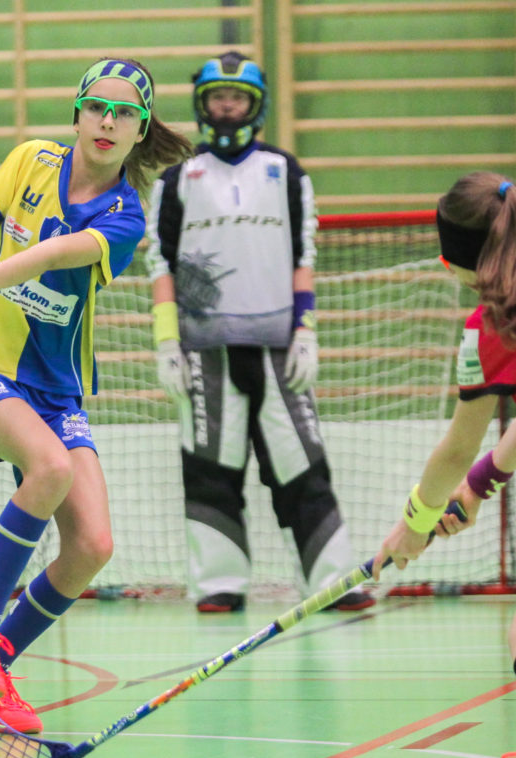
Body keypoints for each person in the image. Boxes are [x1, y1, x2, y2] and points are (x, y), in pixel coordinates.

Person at [0, 58, 192, 734]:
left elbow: (52, 255)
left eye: (126, 114)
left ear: (140, 132)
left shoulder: (125, 217)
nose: (108, 121)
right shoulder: (30, 161)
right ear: (77, 113)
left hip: (56, 391)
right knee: (49, 469)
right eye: (97, 107)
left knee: (93, 545)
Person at [143, 51, 366, 614]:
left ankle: (333, 580)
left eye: (237, 98)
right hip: (204, 352)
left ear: (256, 105)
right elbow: (160, 264)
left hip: (279, 349)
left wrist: (306, 330)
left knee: (302, 464)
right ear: (203, 104)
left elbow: (303, 256)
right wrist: (167, 342)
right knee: (210, 470)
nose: (227, 107)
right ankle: (219, 584)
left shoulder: (286, 172)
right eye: (217, 97)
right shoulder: (176, 180)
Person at [375, 171, 516, 758]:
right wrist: (481, 485)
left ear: (453, 261)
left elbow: (458, 443)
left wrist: (414, 522)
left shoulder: (496, 323)